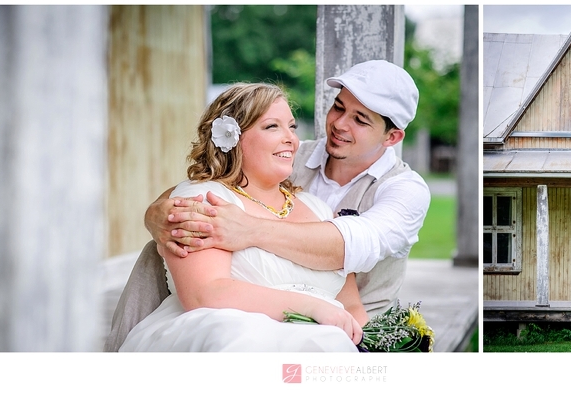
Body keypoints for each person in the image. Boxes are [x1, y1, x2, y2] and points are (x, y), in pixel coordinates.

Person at [145, 60, 430, 317]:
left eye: (359, 120)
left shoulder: (405, 190)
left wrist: (248, 228)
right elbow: (218, 180)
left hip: (363, 325)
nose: (339, 124)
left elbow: (351, 245)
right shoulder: (288, 157)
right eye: (339, 107)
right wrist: (156, 213)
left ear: (392, 137)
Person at [120, 83, 365, 352]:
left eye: (292, 127)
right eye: (272, 126)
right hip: (231, 338)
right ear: (233, 138)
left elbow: (351, 304)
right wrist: (313, 308)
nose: (291, 139)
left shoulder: (319, 209)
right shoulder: (204, 200)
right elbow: (205, 293)